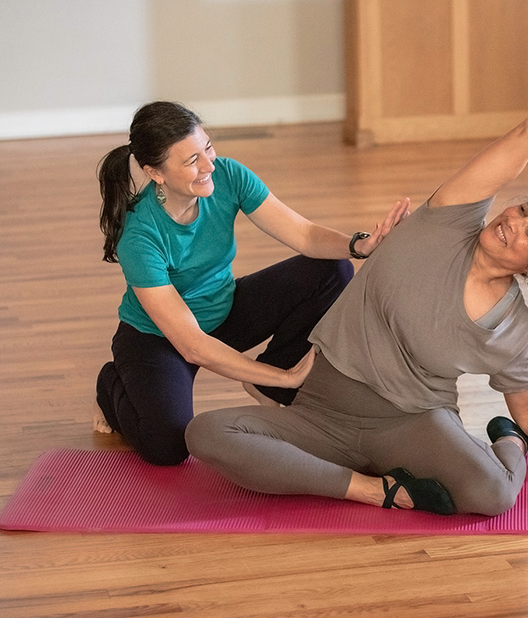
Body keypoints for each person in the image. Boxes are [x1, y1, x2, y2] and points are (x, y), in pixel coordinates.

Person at [186, 111, 528, 515]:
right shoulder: (447, 219)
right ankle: (373, 490)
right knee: (206, 434)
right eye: (523, 210)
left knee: (495, 495)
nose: (514, 222)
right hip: (322, 410)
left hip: (411, 424)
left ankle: (505, 443)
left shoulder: (513, 329)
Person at [95, 101, 408, 466]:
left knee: (330, 269)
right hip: (159, 339)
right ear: (156, 173)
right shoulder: (139, 236)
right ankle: (109, 384)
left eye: (208, 148)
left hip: (223, 311)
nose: (209, 165)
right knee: (168, 447)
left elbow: (304, 235)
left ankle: (267, 385)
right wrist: (289, 376)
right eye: (191, 160)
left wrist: (359, 245)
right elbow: (193, 345)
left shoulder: (228, 176)